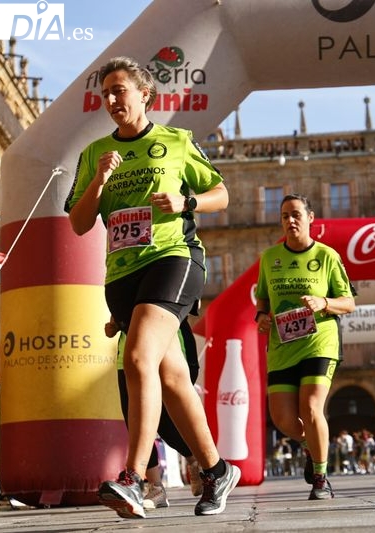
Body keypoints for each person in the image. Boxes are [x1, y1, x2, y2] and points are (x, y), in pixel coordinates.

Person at [65, 56, 238, 519]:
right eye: (105, 94)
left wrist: (188, 200)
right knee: (172, 377)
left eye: (120, 90)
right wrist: (99, 181)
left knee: (138, 357)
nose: (112, 100)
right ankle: (217, 470)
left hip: (173, 258)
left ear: (145, 95)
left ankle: (135, 478)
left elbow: (222, 194)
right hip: (122, 275)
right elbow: (80, 224)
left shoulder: (175, 142)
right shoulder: (94, 154)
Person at [254, 193, 355, 500]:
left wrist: (323, 302)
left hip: (318, 342)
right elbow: (263, 299)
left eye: (296, 214)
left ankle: (321, 478)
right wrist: (260, 316)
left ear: (311, 218)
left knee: (311, 407)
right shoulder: (270, 258)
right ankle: (314, 445)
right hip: (283, 346)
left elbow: (348, 302)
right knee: (283, 419)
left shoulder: (326, 256)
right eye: (285, 215)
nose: (290, 220)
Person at [105, 317, 203, 510]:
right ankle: (155, 488)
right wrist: (114, 325)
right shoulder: (120, 287)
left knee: (165, 422)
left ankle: (195, 460)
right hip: (126, 357)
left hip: (164, 352)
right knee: (135, 423)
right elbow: (115, 320)